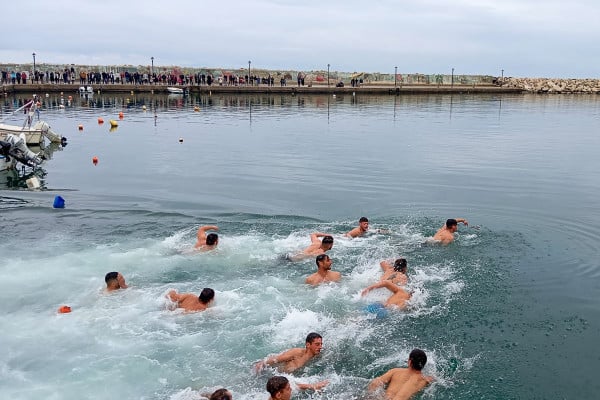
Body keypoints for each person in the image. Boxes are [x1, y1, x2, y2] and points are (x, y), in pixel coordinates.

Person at [368, 348, 434, 400]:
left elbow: (375, 383)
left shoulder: (395, 371)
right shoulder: (425, 380)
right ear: (423, 365)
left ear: (410, 362)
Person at [254, 332, 324, 373]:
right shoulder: (296, 353)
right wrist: (262, 364)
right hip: (272, 374)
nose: (320, 347)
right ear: (308, 345)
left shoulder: (317, 356)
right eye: (317, 344)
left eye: (321, 344)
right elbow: (276, 359)